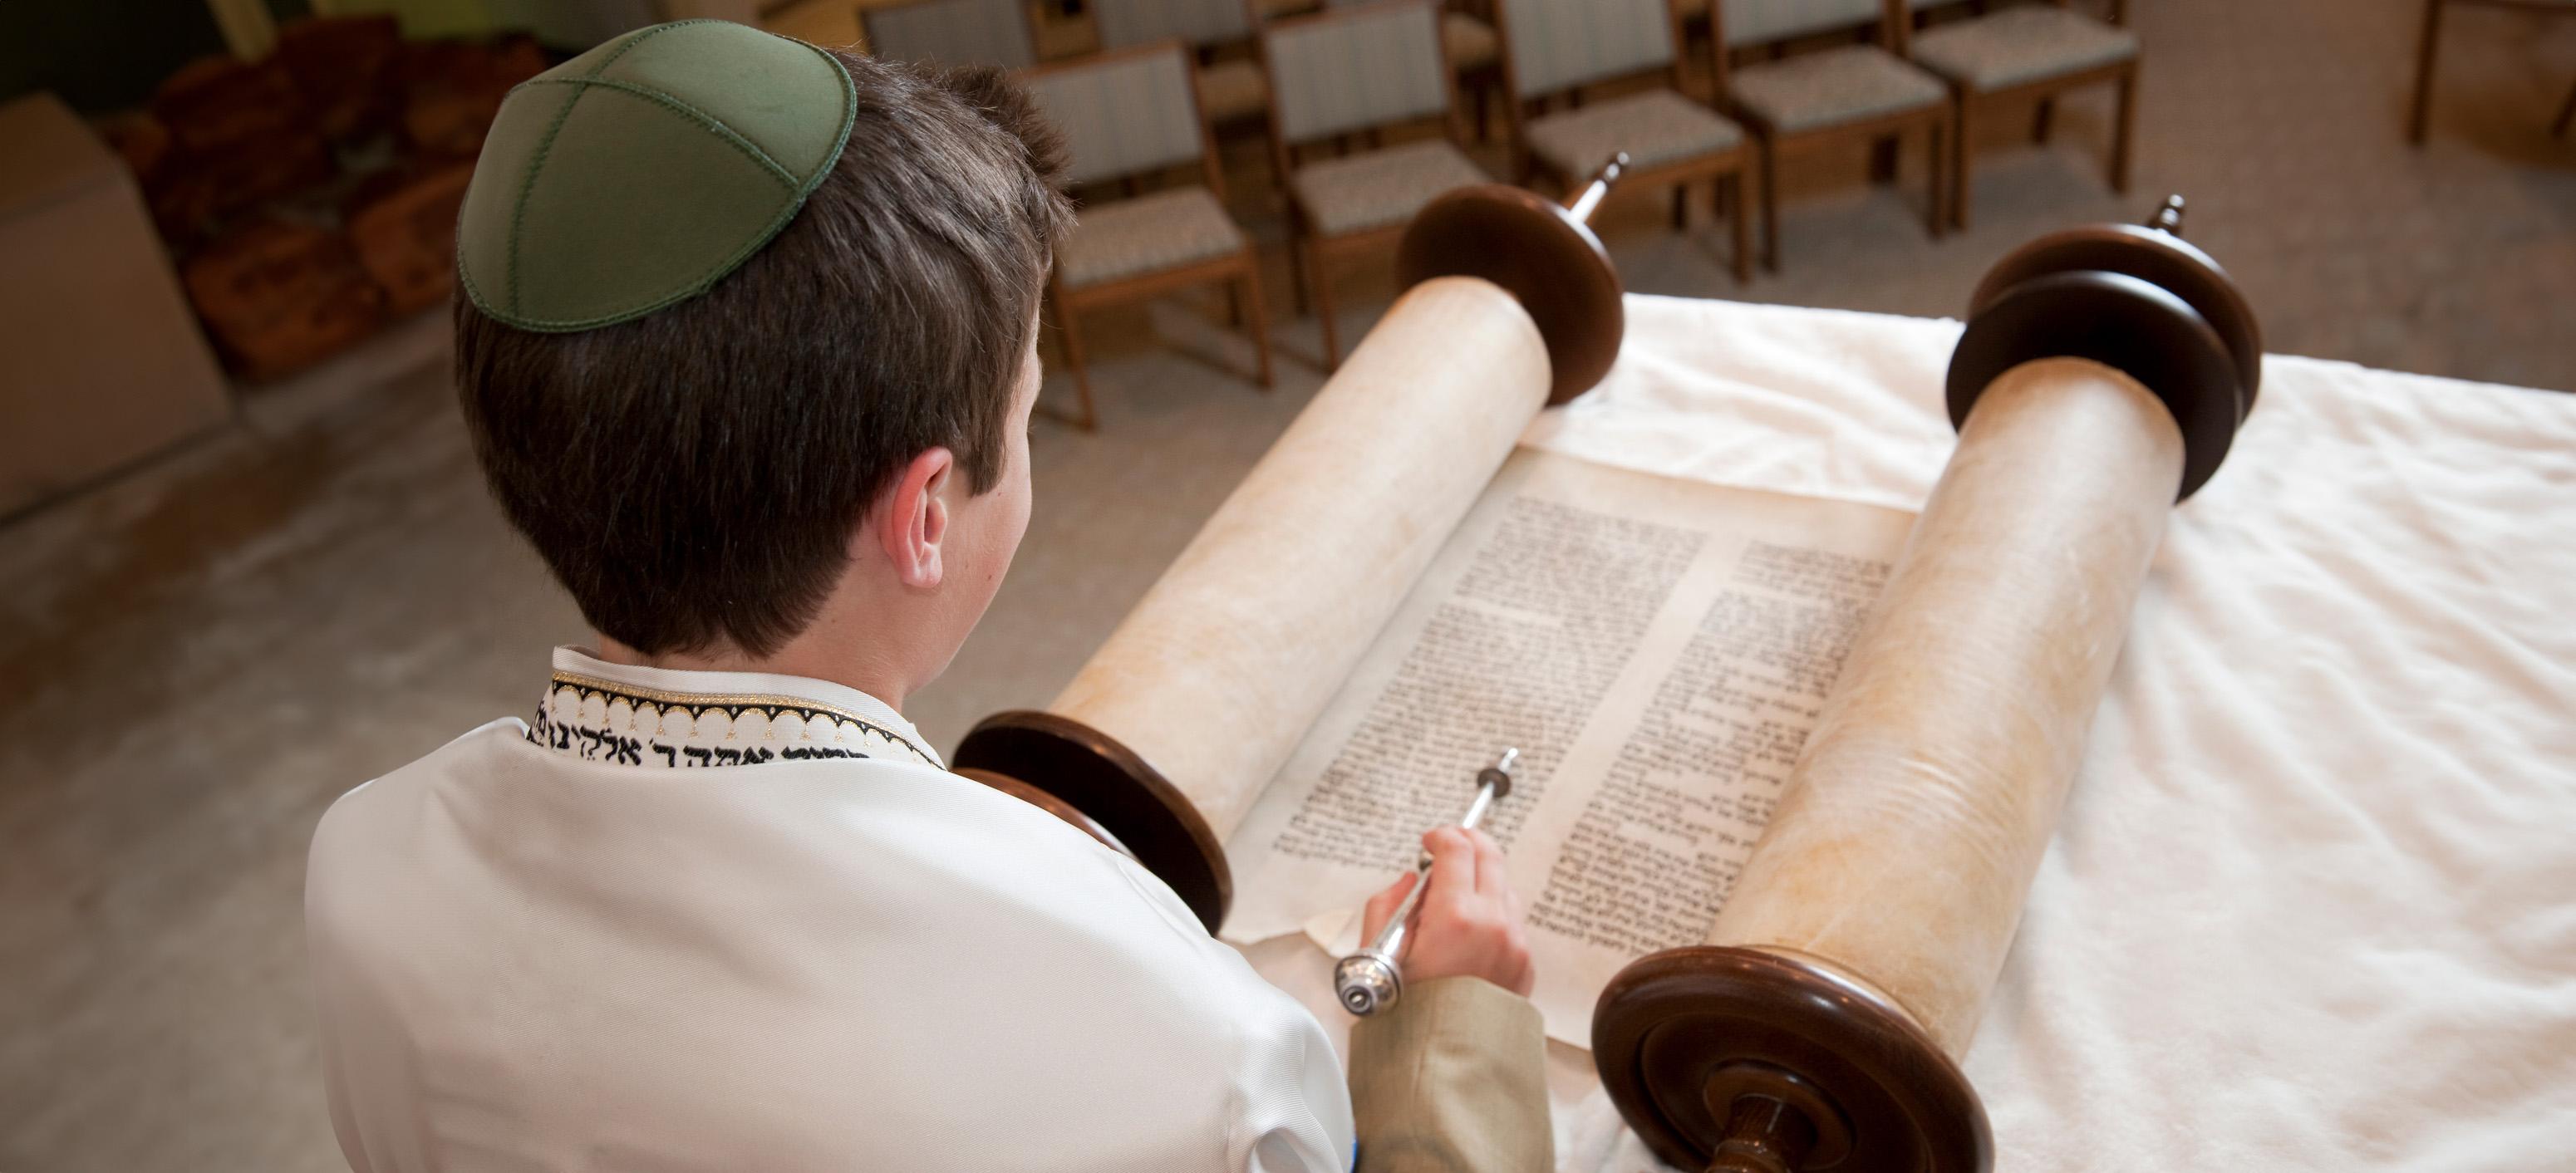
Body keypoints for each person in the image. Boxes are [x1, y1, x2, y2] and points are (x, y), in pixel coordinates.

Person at [303, 21, 1550, 1173]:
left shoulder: (365, 869)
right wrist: (1452, 1028)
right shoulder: (1167, 1045)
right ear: (923, 515)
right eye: (1030, 410)